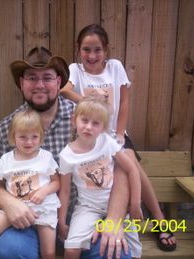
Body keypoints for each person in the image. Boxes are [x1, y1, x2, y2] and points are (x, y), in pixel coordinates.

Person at [0, 46, 132, 259]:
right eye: (32, 77)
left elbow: (122, 169)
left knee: (115, 253)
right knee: (10, 252)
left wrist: (114, 218)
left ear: (59, 81)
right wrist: (8, 202)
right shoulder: (6, 129)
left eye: (48, 77)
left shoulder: (86, 119)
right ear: (21, 83)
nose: (40, 85)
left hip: (89, 217)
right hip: (29, 221)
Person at [60, 23, 176, 252]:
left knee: (130, 164)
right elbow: (64, 90)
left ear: (106, 50)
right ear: (78, 50)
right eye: (86, 49)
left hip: (115, 133)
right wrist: (89, 103)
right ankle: (113, 220)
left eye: (97, 50)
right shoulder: (76, 69)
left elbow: (123, 101)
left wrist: (120, 133)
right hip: (91, 136)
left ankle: (159, 220)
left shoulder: (114, 67)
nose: (92, 55)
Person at [58, 96, 142, 259]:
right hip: (88, 207)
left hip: (117, 206)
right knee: (71, 248)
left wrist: (135, 203)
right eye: (84, 120)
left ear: (103, 128)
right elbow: (65, 191)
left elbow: (132, 169)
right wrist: (61, 221)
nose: (88, 127)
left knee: (133, 251)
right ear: (74, 120)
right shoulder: (67, 156)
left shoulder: (107, 142)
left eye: (95, 123)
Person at [0, 109, 61, 259]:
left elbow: (56, 182)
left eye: (34, 137)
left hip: (43, 208)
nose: (29, 142)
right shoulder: (7, 159)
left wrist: (44, 191)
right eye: (22, 137)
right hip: (15, 209)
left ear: (41, 137)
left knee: (48, 252)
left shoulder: (45, 157)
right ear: (13, 137)